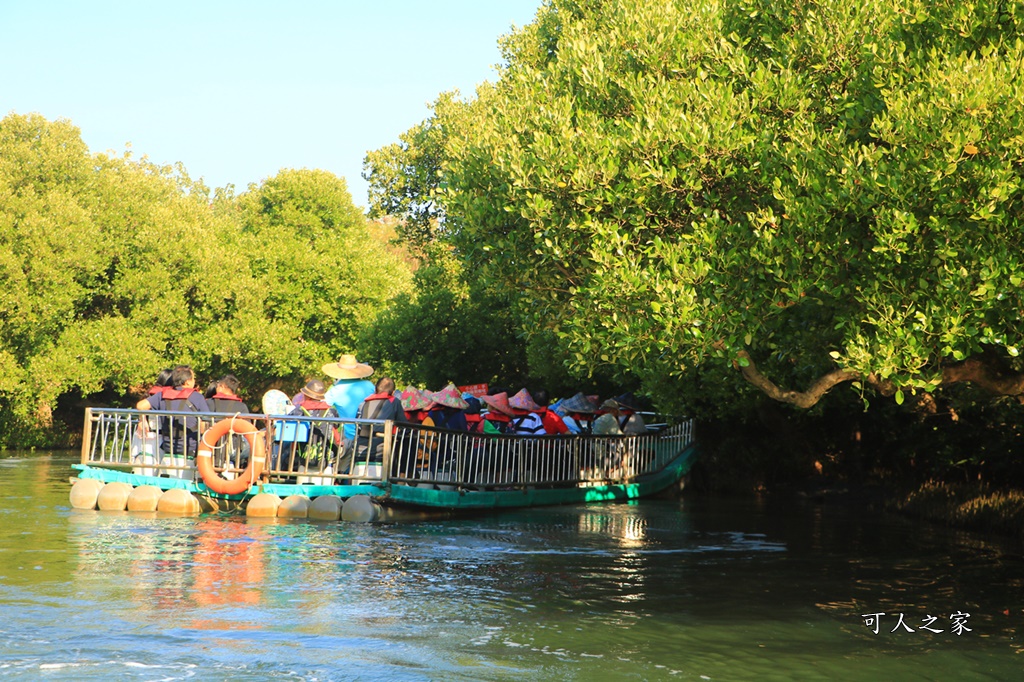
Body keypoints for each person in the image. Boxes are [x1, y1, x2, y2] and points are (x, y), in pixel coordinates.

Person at [136, 365, 209, 459]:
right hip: (190, 448)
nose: (194, 381)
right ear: (187, 382)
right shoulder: (197, 397)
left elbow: (140, 406)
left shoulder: (162, 395)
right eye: (193, 378)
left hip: (168, 447)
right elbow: (204, 425)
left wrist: (142, 420)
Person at [322, 355, 375, 443]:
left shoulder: (335, 390)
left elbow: (321, 408)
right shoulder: (369, 385)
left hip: (348, 438)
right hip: (369, 436)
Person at [355, 377, 408, 462]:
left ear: (376, 390)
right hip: (381, 450)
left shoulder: (364, 403)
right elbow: (405, 426)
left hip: (359, 449)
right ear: (393, 392)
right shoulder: (394, 401)